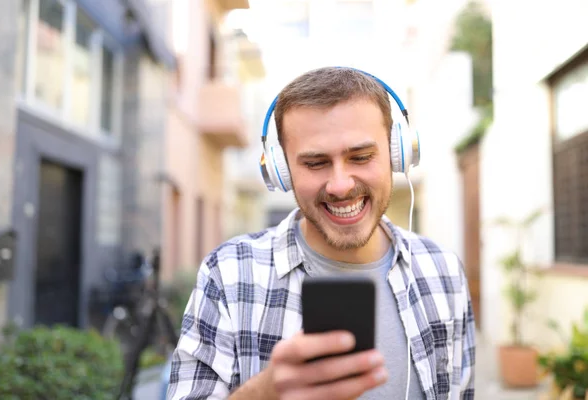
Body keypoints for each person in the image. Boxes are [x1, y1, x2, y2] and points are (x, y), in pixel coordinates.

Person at [166, 67, 476, 400]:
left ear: (397, 154)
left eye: (361, 156)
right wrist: (265, 393)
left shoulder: (443, 271)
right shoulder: (228, 273)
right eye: (315, 163)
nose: (341, 185)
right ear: (281, 171)